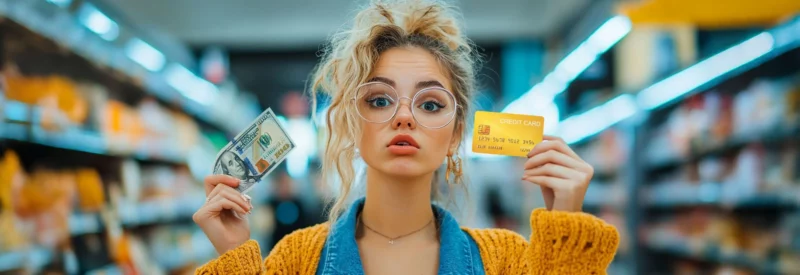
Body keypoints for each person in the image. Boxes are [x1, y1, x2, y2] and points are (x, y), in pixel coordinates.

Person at [193, 0, 619, 274]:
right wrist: (233, 257)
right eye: (379, 100)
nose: (403, 117)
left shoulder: (506, 259)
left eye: (430, 104)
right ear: (352, 123)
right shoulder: (297, 259)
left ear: (456, 135)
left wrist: (568, 235)